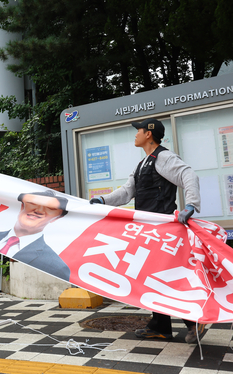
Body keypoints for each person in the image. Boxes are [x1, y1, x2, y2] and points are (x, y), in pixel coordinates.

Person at [89, 118, 203, 344]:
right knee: (152, 277)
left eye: (138, 131)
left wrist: (191, 205)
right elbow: (126, 191)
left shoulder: (164, 157)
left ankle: (192, 320)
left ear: (149, 134)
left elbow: (189, 175)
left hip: (162, 232)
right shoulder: (143, 163)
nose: (135, 134)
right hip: (148, 231)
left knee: (165, 277)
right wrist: (103, 200)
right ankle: (160, 326)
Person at [0, 190, 70, 281]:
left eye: (50, 208)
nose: (38, 210)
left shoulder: (56, 266)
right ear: (22, 206)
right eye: (33, 203)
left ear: (57, 218)